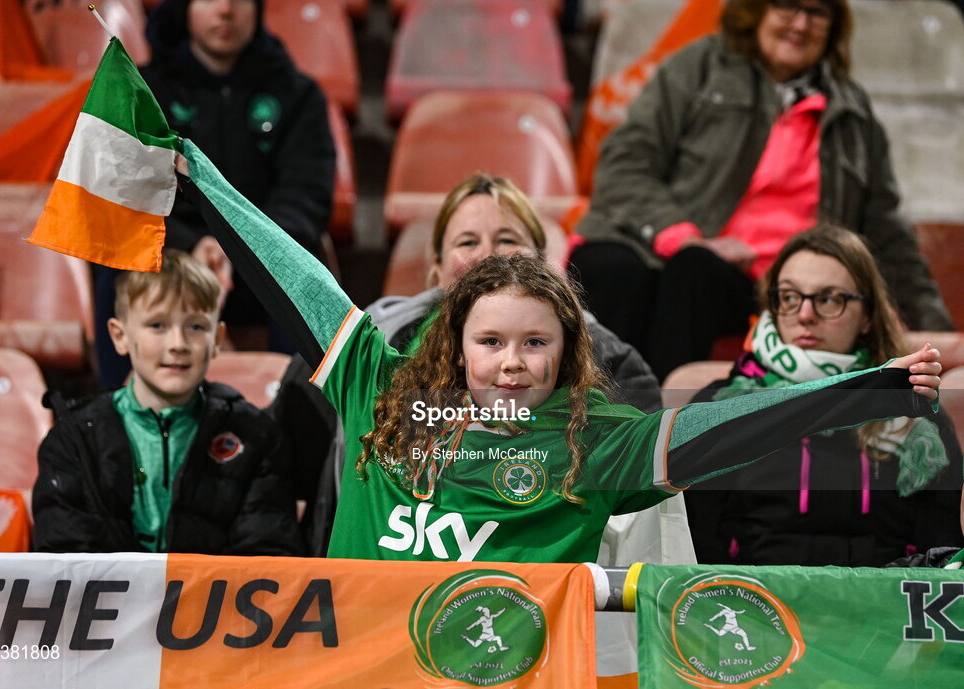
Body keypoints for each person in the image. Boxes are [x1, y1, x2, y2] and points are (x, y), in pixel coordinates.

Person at [176, 142, 943, 563]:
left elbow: (737, 429)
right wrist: (199, 174)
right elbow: (296, 276)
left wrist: (872, 387)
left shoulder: (600, 437)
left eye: (535, 343)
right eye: (492, 341)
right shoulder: (381, 389)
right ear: (455, 342)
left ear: (568, 349)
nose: (512, 362)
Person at [270, 173, 662, 555]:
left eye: (507, 239)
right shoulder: (374, 348)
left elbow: (637, 489)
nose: (488, 255)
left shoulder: (612, 359)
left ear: (545, 265)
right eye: (467, 241)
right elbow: (292, 478)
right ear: (436, 265)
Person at [570, 0, 952, 381]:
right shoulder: (700, 67)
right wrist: (684, 238)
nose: (800, 25)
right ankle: (582, 416)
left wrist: (937, 330)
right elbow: (624, 162)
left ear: (833, 27)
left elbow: (886, 231)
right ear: (756, 11)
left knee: (695, 273)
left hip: (774, 282)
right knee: (607, 264)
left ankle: (664, 425)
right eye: (787, 7)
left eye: (817, 13)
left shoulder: (853, 112)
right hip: (678, 249)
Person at [684, 226, 963, 567]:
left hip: (880, 610)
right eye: (789, 297)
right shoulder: (721, 406)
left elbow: (941, 554)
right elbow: (694, 550)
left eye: (829, 299)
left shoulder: (916, 411)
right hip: (757, 608)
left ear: (867, 316)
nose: (805, 315)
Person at [93, 0, 336, 386]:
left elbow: (306, 199)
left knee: (302, 274)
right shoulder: (141, 90)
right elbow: (125, 193)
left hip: (260, 260)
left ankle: (297, 418)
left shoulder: (298, 95)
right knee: (114, 261)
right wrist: (191, 246)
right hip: (167, 256)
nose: (226, 10)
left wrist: (235, 243)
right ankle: (116, 413)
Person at [33, 249, 304, 555]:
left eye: (197, 327)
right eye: (157, 325)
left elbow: (265, 556)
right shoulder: (74, 439)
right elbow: (63, 559)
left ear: (217, 338)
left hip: (211, 603)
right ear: (119, 336)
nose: (177, 344)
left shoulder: (255, 438)